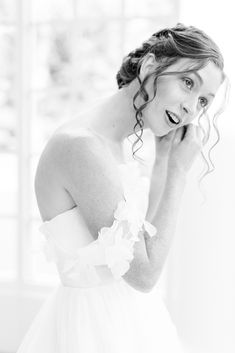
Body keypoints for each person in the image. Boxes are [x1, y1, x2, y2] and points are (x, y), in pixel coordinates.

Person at [17, 23, 225, 353]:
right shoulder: (82, 147)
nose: (191, 108)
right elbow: (144, 274)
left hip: (131, 320)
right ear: (150, 65)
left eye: (203, 101)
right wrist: (179, 175)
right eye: (188, 83)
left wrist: (164, 161)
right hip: (96, 331)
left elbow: (146, 240)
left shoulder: (114, 145)